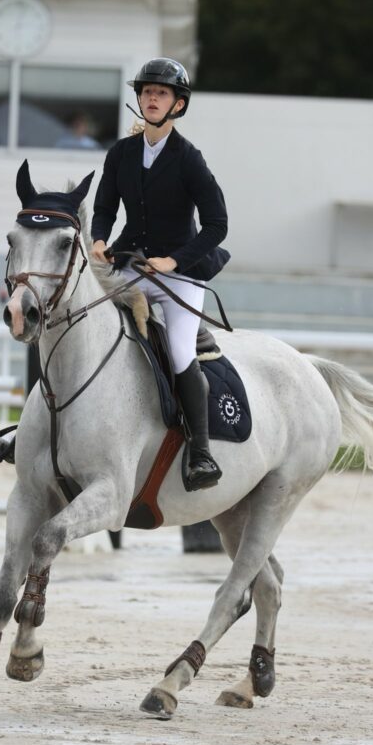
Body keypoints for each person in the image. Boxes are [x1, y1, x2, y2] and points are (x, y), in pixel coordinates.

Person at [91, 57, 230, 490]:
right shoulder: (122, 153)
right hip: (130, 265)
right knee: (76, 321)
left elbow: (217, 225)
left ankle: (201, 453)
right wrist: (98, 238)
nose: (152, 98)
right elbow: (104, 207)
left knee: (181, 351)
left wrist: (175, 261)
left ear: (178, 105)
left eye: (162, 93)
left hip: (179, 278)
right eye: (147, 92)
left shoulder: (189, 159)